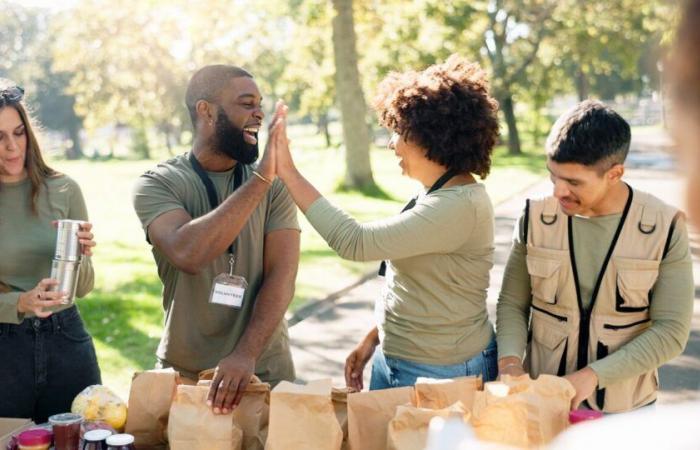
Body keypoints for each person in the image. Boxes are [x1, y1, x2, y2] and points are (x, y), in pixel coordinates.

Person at [271, 55, 501, 390]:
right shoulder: (436, 192)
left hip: (443, 374)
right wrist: (372, 340)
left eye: (398, 131)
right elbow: (417, 287)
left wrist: (288, 172)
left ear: (431, 137)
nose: (391, 143)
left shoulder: (459, 206)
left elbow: (355, 242)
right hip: (395, 360)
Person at [496, 100, 693, 413]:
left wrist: (592, 377)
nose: (559, 192)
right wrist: (508, 364)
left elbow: (670, 331)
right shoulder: (534, 217)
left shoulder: (665, 227)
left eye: (573, 182)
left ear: (614, 173)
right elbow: (512, 303)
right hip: (541, 406)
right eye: (553, 176)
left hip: (627, 413)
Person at [132, 65, 300, 415]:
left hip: (264, 371)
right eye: (246, 103)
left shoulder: (274, 185)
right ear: (206, 110)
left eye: (260, 103)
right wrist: (261, 180)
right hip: (188, 378)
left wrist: (246, 353)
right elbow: (187, 252)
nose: (259, 113)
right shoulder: (159, 183)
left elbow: (282, 276)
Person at [0, 79, 99, 422]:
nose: (12, 147)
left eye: (18, 132)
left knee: (81, 440)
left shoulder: (64, 189)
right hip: (5, 348)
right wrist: (21, 302)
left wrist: (82, 255)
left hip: (67, 340)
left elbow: (83, 287)